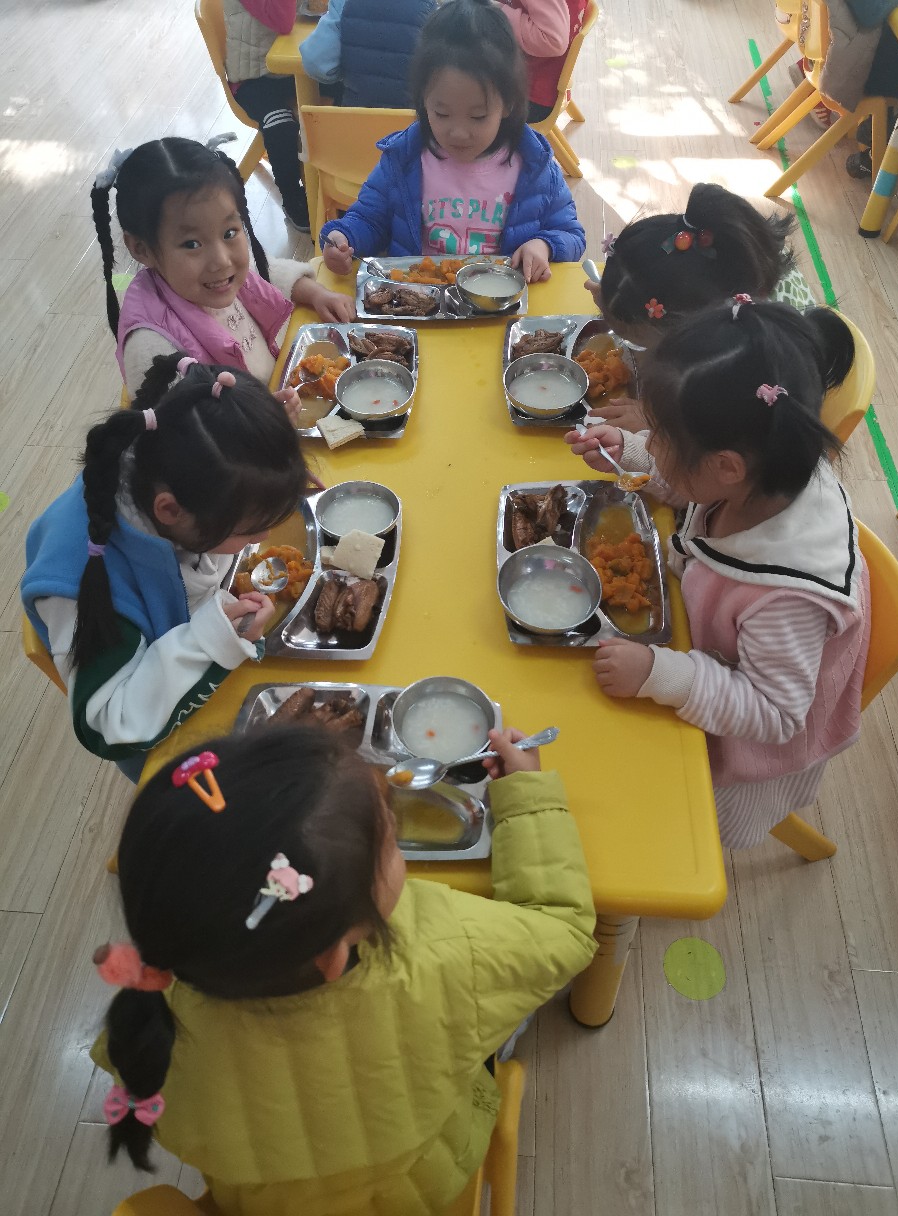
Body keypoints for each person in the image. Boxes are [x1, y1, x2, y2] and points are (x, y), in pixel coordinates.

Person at [90, 723, 597, 1214]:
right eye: (391, 842)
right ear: (331, 954)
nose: (396, 845)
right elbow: (562, 929)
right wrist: (527, 797)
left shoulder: (152, 1020)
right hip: (414, 1193)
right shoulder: (446, 952)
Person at [565, 299, 870, 850]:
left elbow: (774, 713)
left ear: (727, 464)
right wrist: (632, 454)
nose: (652, 444)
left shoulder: (786, 598)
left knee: (653, 832)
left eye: (661, 438)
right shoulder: (767, 470)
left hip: (744, 749)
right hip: (707, 650)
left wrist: (661, 675)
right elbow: (698, 490)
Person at [21, 356, 311, 778]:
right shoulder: (86, 585)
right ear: (170, 511)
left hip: (194, 649)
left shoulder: (176, 468)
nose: (262, 539)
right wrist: (210, 639)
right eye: (249, 529)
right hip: (165, 742)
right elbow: (110, 725)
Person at [319, 0, 586, 283]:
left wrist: (544, 245)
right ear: (423, 101)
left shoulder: (534, 164)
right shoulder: (403, 158)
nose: (458, 133)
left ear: (508, 104)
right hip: (420, 297)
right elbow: (369, 219)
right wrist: (344, 237)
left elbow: (571, 234)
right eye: (442, 114)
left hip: (500, 302)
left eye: (478, 116)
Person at [91, 137, 354, 399]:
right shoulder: (151, 349)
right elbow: (179, 422)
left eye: (229, 232)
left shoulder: (221, 276)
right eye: (192, 244)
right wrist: (263, 417)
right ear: (141, 249)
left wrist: (318, 294)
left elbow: (267, 271)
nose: (222, 261)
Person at [587, 183, 816, 430]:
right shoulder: (714, 271)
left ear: (689, 331)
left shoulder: (747, 352)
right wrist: (612, 300)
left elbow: (724, 432)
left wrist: (655, 422)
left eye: (643, 342)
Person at [224, 0, 311, 230]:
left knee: (347, 85)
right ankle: (292, 196)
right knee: (280, 124)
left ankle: (331, 175)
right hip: (252, 77)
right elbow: (283, 21)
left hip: (289, 65)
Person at [299, 0, 436, 108]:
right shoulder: (432, 6)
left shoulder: (343, 2)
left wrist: (347, 72)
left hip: (355, 122)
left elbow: (315, 62)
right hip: (412, 127)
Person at [494, 0, 587, 122]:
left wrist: (495, 12)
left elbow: (553, 41)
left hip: (530, 97)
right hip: (543, 85)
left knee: (469, 93)